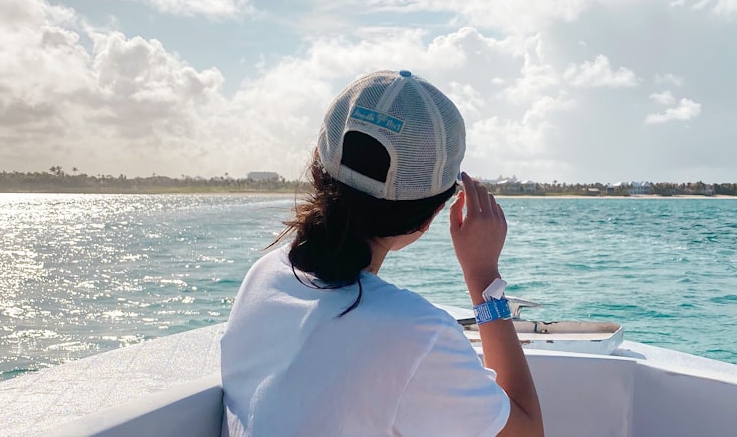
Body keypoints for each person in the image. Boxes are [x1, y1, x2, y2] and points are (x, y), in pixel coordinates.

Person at [220, 70, 544, 437]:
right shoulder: (416, 333)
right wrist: (483, 277)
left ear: (318, 166)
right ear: (432, 214)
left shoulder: (264, 275)